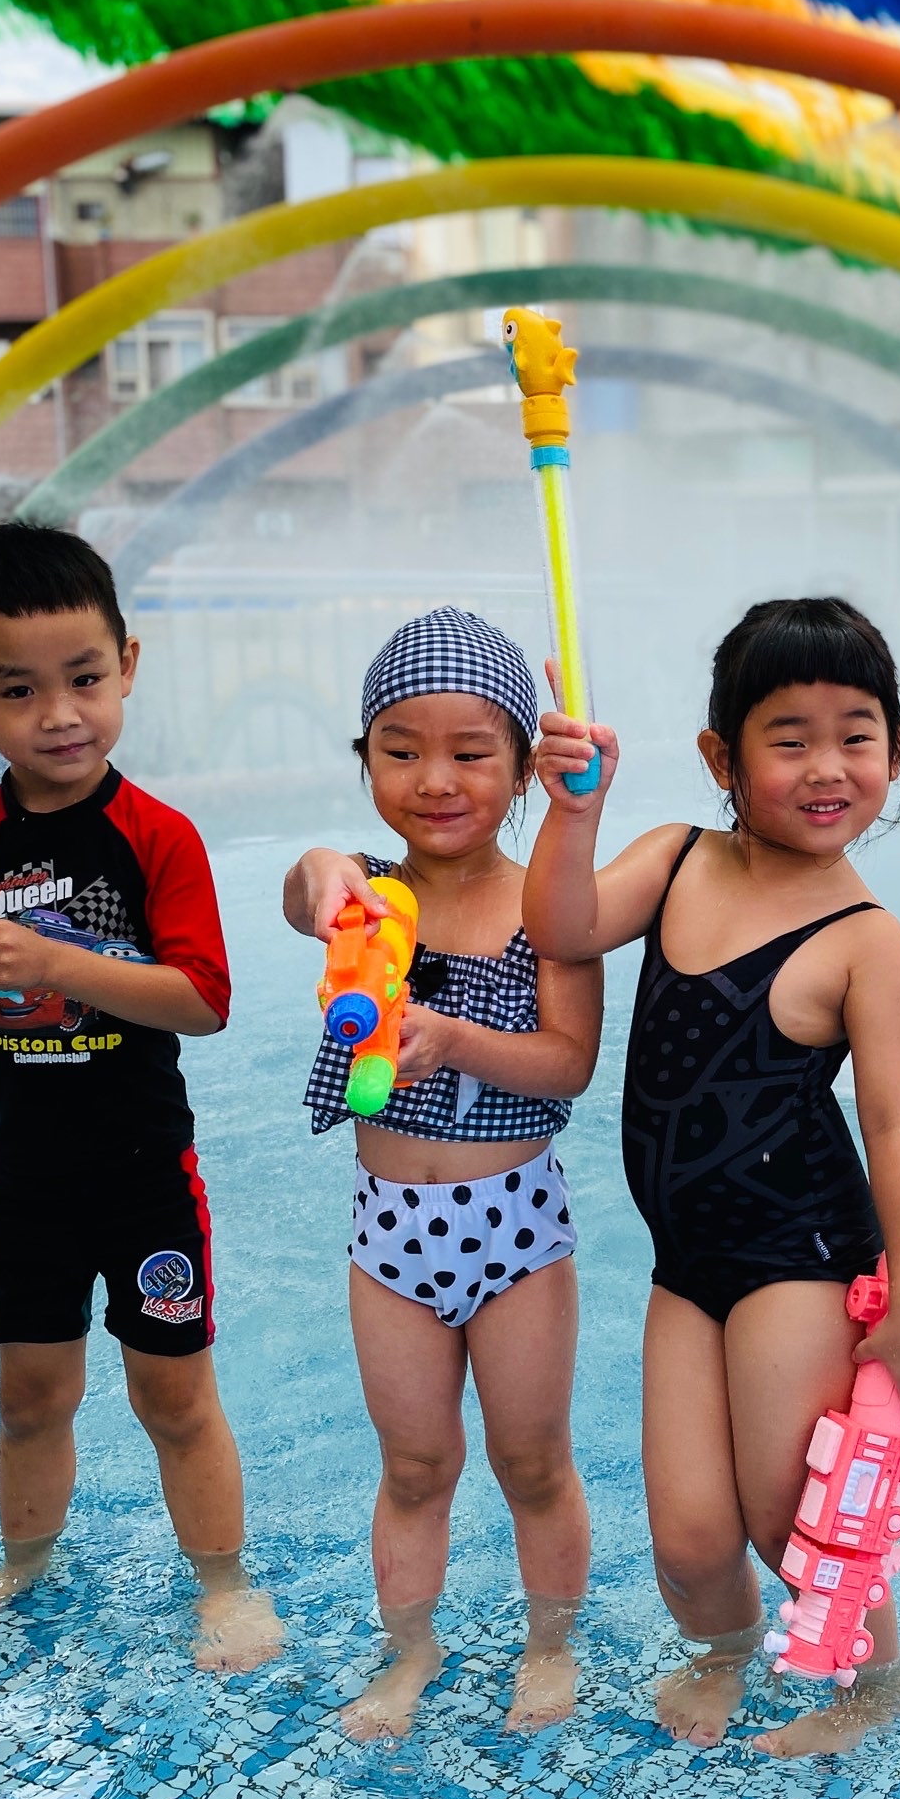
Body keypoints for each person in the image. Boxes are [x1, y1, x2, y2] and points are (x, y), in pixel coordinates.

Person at [521, 596, 900, 1758]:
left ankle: (875, 1684)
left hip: (800, 1253)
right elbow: (562, 925)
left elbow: (899, 1132)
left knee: (789, 1510)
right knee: (690, 1538)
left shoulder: (869, 943)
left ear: (896, 748)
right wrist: (573, 812)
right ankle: (724, 1649)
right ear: (722, 757)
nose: (826, 767)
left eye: (855, 736)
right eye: (788, 738)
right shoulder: (675, 861)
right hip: (689, 1260)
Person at [0, 523, 280, 1670]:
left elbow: (202, 1000)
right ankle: (24, 1568)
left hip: (145, 1178)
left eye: (85, 679)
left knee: (174, 1399)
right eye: (17, 689)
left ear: (126, 667)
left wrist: (50, 960)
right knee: (31, 1397)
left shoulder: (157, 837)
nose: (59, 714)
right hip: (25, 1183)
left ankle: (224, 1583)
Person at [283, 608, 603, 1741]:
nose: (435, 779)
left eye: (471, 752)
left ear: (520, 767)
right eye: (401, 750)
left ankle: (549, 1645)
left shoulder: (548, 902)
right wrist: (327, 872)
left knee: (531, 1460)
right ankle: (410, 1651)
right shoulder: (367, 898)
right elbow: (304, 883)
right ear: (366, 759)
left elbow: (569, 1063)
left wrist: (455, 1039)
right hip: (390, 1237)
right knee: (414, 1465)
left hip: (515, 1231)